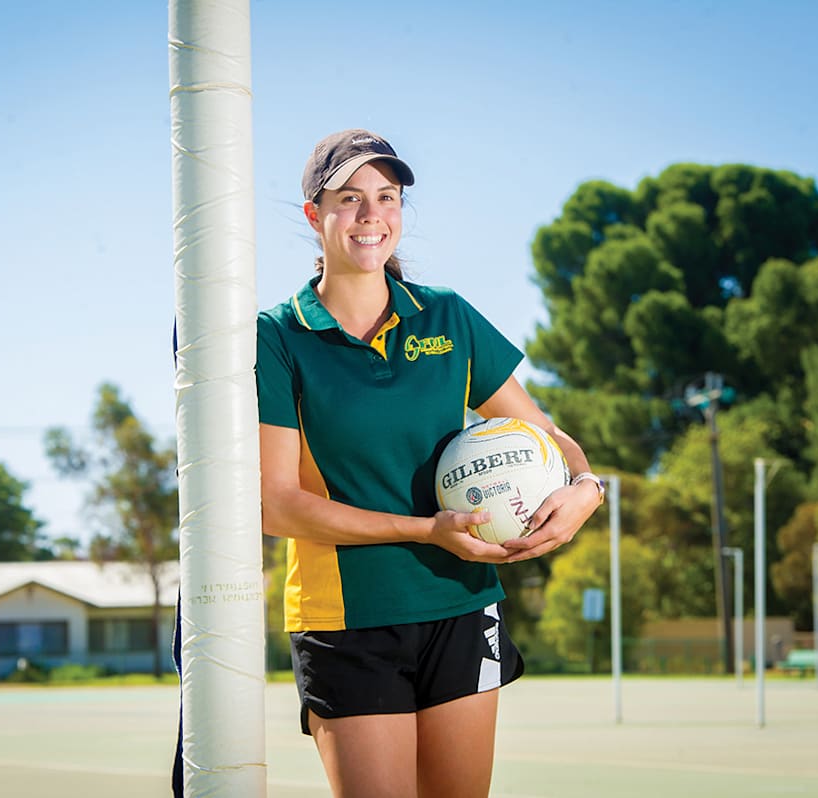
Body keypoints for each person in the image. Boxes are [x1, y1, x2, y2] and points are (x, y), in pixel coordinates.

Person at [256, 129, 606, 798]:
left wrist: (586, 486)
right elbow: (276, 503)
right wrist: (423, 530)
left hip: (462, 604)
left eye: (387, 198)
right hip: (346, 617)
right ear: (313, 214)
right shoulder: (277, 337)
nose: (371, 216)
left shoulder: (446, 316)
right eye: (350, 198)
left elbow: (542, 435)